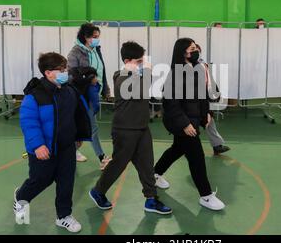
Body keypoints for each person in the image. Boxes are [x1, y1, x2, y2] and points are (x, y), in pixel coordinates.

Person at [89, 41, 172, 215]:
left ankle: (150, 199)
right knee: (118, 165)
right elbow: (140, 91)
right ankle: (98, 191)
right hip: (124, 130)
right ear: (127, 61)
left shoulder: (136, 76)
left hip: (141, 128)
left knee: (147, 165)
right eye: (138, 61)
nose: (142, 64)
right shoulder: (121, 77)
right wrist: (148, 72)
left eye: (143, 61)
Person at [13, 52, 92, 233]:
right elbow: (29, 122)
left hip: (66, 148)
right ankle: (20, 197)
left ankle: (63, 216)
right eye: (61, 70)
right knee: (40, 180)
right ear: (48, 73)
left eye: (65, 69)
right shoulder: (35, 95)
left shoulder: (68, 91)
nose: (65, 72)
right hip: (44, 149)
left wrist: (78, 136)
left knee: (66, 182)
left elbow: (75, 116)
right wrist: (38, 145)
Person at [154, 38, 225, 211]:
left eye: (196, 48)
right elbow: (171, 103)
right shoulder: (176, 74)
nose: (196, 51)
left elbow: (201, 98)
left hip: (191, 120)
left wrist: (206, 114)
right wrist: (185, 124)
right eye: (192, 49)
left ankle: (153, 174)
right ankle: (206, 196)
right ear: (183, 52)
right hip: (180, 122)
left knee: (176, 150)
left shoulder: (195, 70)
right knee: (197, 158)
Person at [67, 23, 111, 169]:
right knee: (92, 126)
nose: (97, 39)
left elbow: (101, 71)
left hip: (95, 92)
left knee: (83, 126)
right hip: (82, 95)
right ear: (85, 37)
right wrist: (88, 79)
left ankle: (72, 150)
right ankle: (102, 157)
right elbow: (72, 75)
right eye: (94, 37)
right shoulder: (75, 53)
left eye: (98, 37)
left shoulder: (96, 50)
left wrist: (106, 89)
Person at [196, 43, 231, 155]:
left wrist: (215, 92)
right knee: (194, 123)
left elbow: (210, 80)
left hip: (204, 97)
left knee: (209, 121)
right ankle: (184, 147)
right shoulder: (187, 66)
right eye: (193, 50)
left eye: (198, 50)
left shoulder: (203, 63)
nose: (196, 52)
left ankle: (217, 145)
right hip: (194, 99)